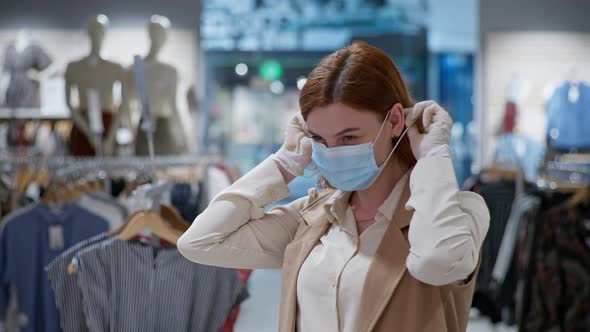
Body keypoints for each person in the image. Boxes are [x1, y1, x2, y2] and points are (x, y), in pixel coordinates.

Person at [178, 42, 490, 332]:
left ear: (395, 121)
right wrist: (285, 163)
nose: (334, 152)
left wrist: (433, 155)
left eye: (349, 138)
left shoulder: (460, 213)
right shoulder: (313, 218)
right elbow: (200, 242)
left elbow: (435, 262)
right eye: (319, 139)